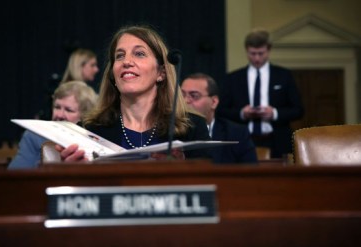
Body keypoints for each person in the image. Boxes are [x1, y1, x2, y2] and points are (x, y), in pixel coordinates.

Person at [57, 25, 211, 162]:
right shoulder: (88, 129)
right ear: (113, 75)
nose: (127, 61)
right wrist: (74, 172)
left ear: (161, 73)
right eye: (120, 55)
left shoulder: (192, 128)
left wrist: (184, 167)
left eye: (139, 54)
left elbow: (212, 186)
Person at [218, 29, 304, 158]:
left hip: (277, 141)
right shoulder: (233, 78)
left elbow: (299, 110)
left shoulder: (284, 76)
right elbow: (221, 110)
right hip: (243, 139)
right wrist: (242, 113)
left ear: (268, 50)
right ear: (246, 50)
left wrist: (274, 113)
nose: (257, 58)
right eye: (252, 53)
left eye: (261, 53)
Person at [9, 81, 98, 169]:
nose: (59, 115)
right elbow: (14, 176)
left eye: (69, 110)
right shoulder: (34, 136)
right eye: (57, 107)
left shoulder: (94, 140)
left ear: (85, 115)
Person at [181, 73, 257, 164]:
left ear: (214, 102)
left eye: (194, 96)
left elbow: (251, 173)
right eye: (182, 95)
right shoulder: (172, 132)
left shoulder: (237, 134)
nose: (185, 101)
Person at [38, 48, 99, 120]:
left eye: (68, 110)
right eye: (92, 65)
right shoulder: (60, 91)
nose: (96, 69)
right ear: (80, 66)